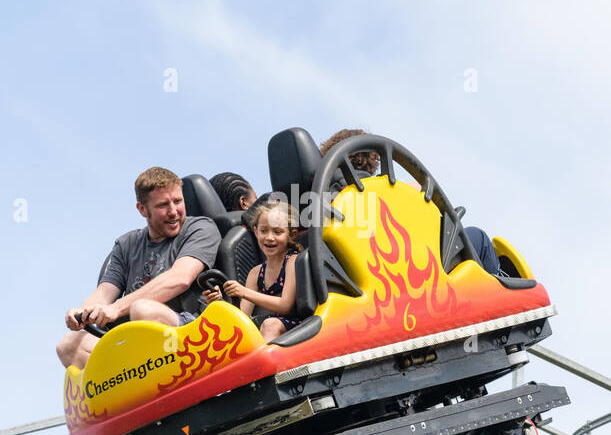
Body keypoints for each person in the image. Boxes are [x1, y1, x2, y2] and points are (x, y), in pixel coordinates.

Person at [57, 167, 221, 369]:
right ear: (143, 210)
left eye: (178, 201)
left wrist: (116, 308)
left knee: (143, 310)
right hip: (136, 345)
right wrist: (82, 313)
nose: (173, 211)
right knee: (68, 345)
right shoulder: (126, 244)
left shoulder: (201, 228)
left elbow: (181, 278)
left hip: (190, 331)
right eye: (163, 205)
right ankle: (128, 391)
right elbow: (104, 294)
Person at [318, 127, 502, 275]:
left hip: (357, 274)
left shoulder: (317, 201)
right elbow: (437, 222)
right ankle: (500, 297)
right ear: (370, 159)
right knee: (478, 238)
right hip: (414, 269)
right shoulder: (391, 188)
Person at [203, 197, 301, 341]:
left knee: (270, 325)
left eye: (278, 232)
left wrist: (243, 292)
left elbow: (285, 306)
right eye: (263, 231)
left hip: (298, 326)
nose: (269, 237)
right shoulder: (256, 273)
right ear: (255, 231)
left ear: (291, 235)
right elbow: (243, 318)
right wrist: (219, 303)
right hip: (267, 329)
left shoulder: (293, 261)